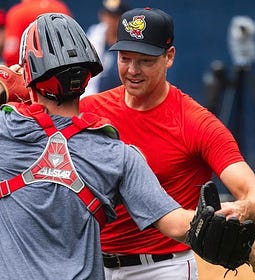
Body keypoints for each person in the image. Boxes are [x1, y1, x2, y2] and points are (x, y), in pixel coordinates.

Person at [0, 12, 217, 280]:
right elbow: (175, 223)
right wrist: (218, 226)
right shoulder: (117, 153)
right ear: (88, 75)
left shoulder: (6, 130)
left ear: (29, 74)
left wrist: (7, 83)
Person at [80, 7, 255, 280]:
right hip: (91, 265)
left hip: (161, 269)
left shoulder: (196, 123)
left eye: (145, 60)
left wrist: (239, 211)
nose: (132, 70)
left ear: (169, 57)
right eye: (125, 58)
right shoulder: (88, 110)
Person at [2, 0, 72, 66]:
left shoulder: (17, 13)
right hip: (64, 69)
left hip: (33, 72)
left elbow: (11, 54)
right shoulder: (60, 7)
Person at [83, 0, 129, 97]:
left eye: (115, 17)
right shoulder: (92, 38)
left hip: (119, 103)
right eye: (108, 15)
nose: (110, 21)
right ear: (101, 15)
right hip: (92, 103)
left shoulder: (130, 45)